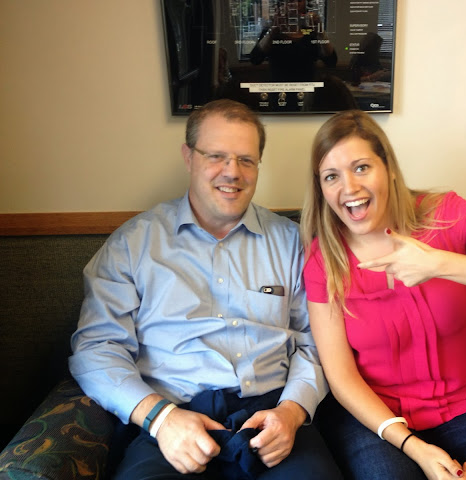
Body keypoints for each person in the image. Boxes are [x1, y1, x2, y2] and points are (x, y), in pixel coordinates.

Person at [69, 99, 342, 480]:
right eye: (216, 156)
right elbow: (96, 348)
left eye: (246, 160)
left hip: (274, 418)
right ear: (188, 157)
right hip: (171, 420)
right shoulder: (133, 244)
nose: (233, 172)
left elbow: (317, 341)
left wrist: (293, 411)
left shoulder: (292, 243)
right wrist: (160, 418)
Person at [300, 110, 466, 480]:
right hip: (376, 416)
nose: (349, 187)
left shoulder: (447, 213)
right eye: (331, 176)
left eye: (361, 167)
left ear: (388, 168)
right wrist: (414, 447)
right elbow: (342, 377)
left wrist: (439, 263)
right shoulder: (323, 259)